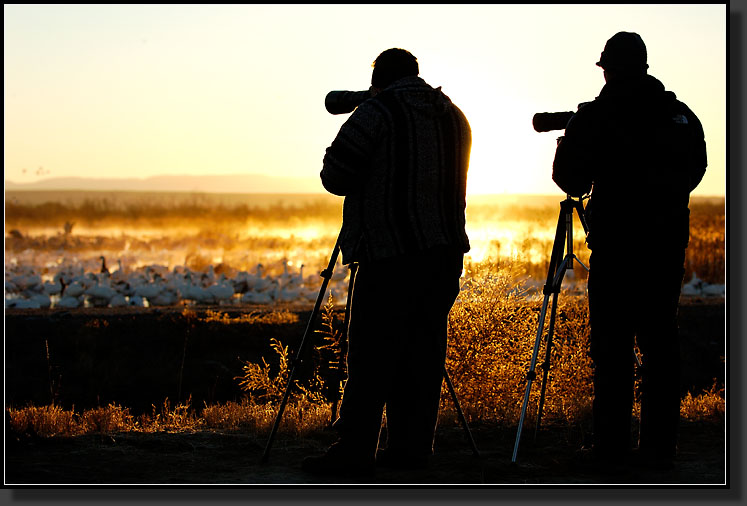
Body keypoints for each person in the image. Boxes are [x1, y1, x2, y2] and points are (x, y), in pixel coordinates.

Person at [302, 48, 471, 476]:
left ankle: (354, 453)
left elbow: (335, 177)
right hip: (444, 256)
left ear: (379, 78)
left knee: (372, 358)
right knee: (423, 356)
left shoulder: (376, 113)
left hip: (389, 255)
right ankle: (411, 455)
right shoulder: (453, 115)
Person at [552, 32, 707, 470]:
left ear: (609, 69)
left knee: (612, 348)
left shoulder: (596, 117)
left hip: (617, 249)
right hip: (665, 247)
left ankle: (610, 448)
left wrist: (569, 141)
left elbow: (570, 181)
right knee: (660, 344)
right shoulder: (680, 115)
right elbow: (696, 170)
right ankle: (660, 449)